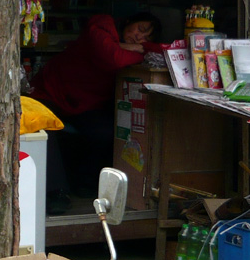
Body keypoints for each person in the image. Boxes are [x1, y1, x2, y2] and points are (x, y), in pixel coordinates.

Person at [30, 12, 162, 212]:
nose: (139, 38)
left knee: (105, 132)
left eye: (146, 38)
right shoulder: (102, 25)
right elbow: (113, 58)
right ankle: (54, 193)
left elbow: (159, 51)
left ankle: (85, 184)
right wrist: (137, 50)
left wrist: (137, 49)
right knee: (43, 127)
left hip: (85, 103)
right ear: (128, 20)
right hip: (51, 91)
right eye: (140, 29)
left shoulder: (121, 41)